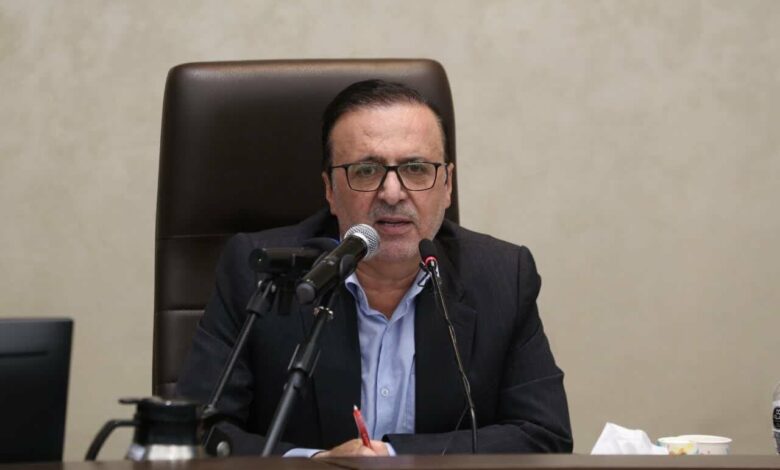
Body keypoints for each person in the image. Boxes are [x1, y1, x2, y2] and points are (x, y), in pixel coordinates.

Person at [176, 79, 573, 456]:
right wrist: (316, 463)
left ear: (448, 185)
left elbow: (544, 434)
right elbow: (197, 430)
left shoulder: (503, 276)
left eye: (416, 168)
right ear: (330, 190)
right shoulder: (260, 273)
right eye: (366, 170)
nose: (393, 193)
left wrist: (394, 457)